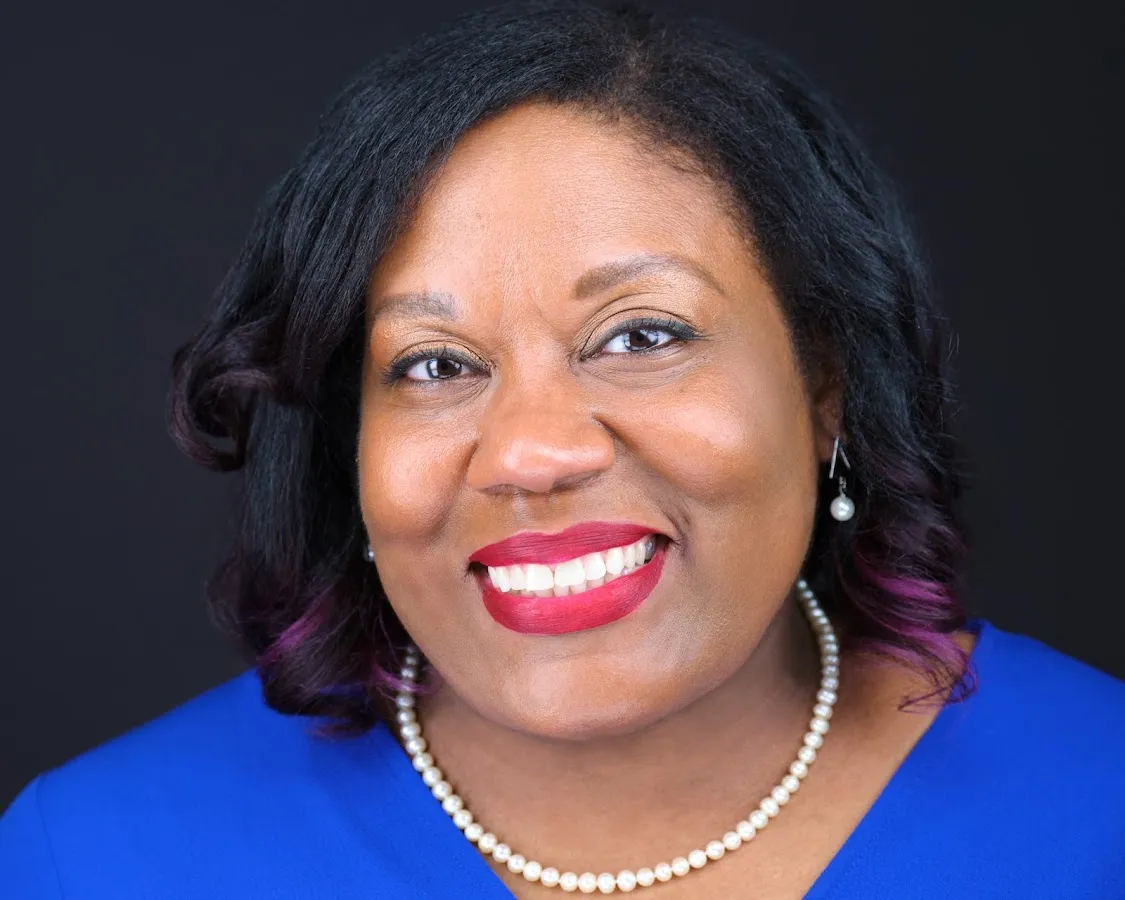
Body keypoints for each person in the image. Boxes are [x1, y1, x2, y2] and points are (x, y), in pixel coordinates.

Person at [3, 0, 1124, 896]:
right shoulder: (94, 859)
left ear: (825, 388)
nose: (532, 454)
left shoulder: (1098, 810)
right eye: (434, 364)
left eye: (640, 336)